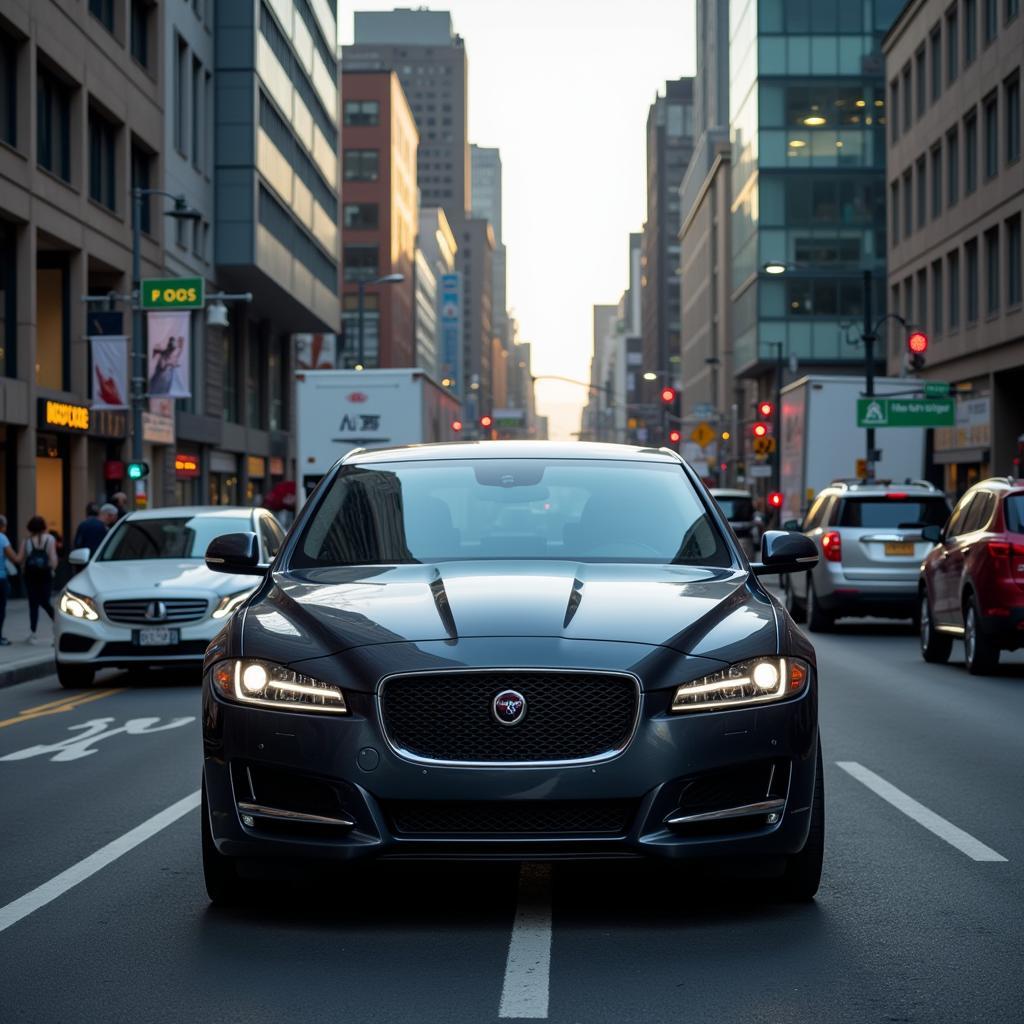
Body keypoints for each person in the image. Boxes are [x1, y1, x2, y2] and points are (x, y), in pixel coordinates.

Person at [22, 515, 58, 644]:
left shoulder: (26, 541)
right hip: (45, 575)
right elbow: (53, 558)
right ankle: (57, 625)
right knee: (45, 601)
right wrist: (52, 569)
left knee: (33, 603)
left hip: (31, 576)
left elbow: (21, 558)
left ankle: (33, 632)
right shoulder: (50, 539)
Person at [0, 514, 22, 647]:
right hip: (1, 578)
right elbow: (15, 558)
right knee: (1, 609)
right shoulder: (2, 538)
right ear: (2, 526)